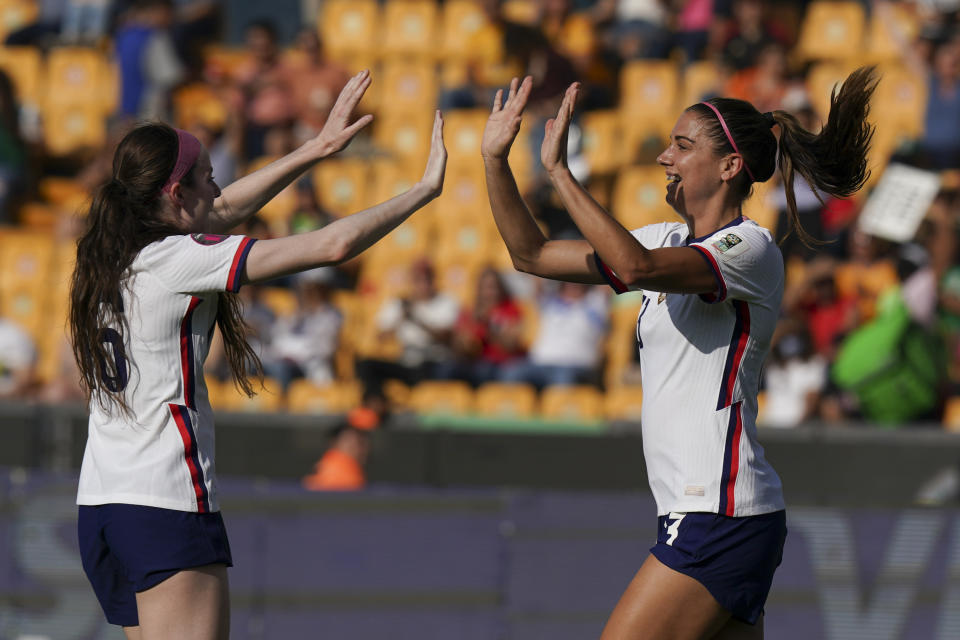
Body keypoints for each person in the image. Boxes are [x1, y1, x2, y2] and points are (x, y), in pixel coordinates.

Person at [481, 67, 876, 638]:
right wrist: (495, 161)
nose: (665, 157)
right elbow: (533, 255)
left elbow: (635, 269)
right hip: (712, 514)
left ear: (729, 166)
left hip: (718, 511)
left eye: (682, 145)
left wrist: (561, 173)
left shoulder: (750, 247)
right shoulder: (664, 238)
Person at [69, 70, 447, 638]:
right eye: (208, 179)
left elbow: (215, 214)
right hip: (166, 502)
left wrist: (316, 149)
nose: (219, 193)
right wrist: (420, 193)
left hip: (102, 505)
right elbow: (332, 244)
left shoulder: (106, 255)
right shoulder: (177, 260)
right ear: (175, 195)